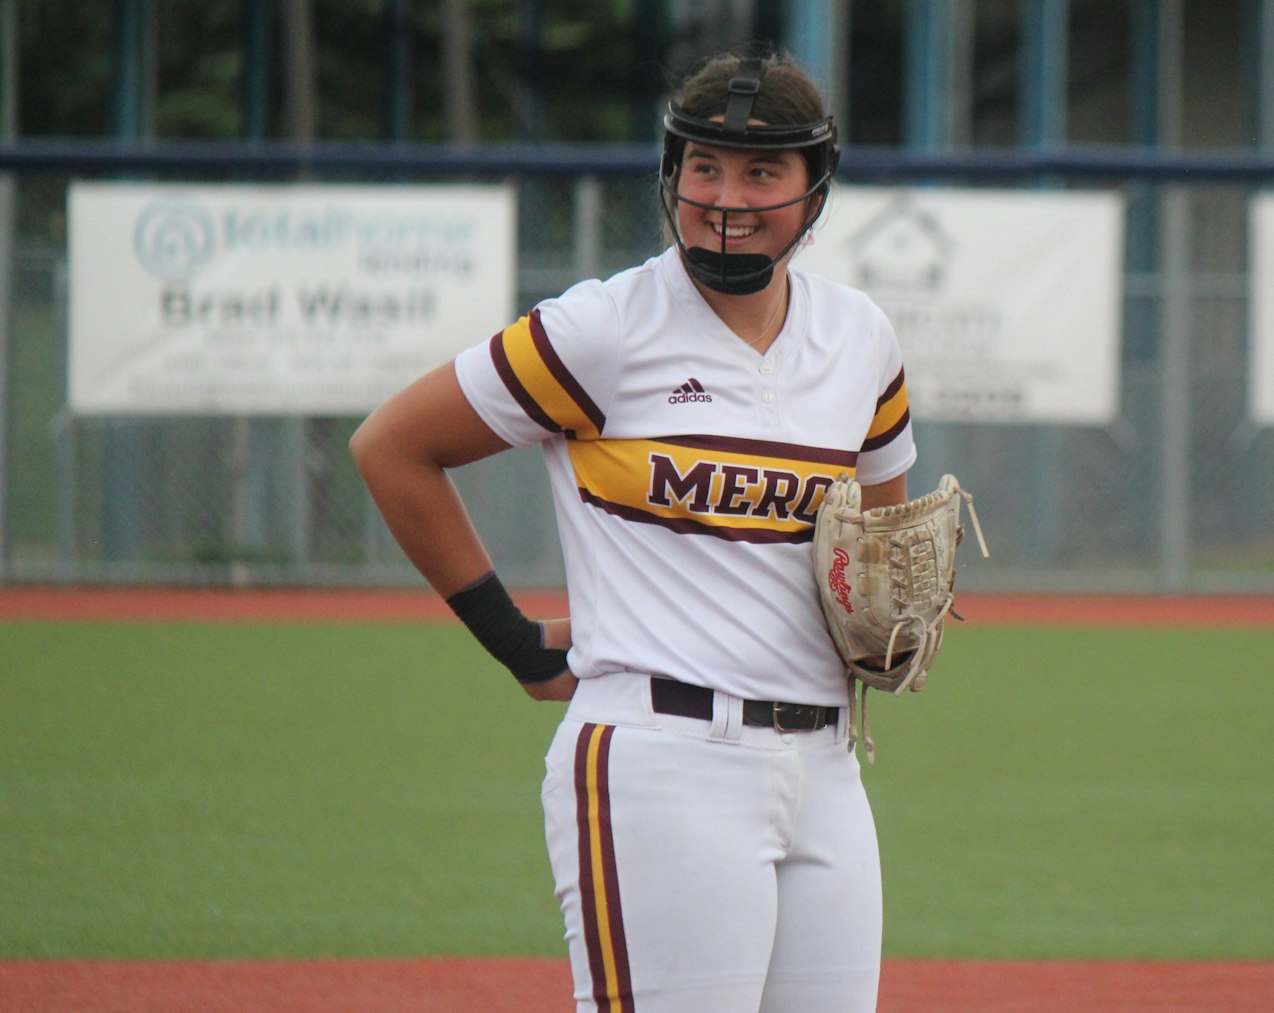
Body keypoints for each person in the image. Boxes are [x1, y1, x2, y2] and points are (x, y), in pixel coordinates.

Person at [349, 50, 917, 1013]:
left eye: (761, 171)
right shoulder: (605, 328)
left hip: (825, 768)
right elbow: (393, 446)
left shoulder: (860, 337)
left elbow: (889, 539)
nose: (725, 196)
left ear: (814, 191)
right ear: (671, 174)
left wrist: (899, 619)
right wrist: (517, 643)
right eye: (703, 167)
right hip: (664, 757)